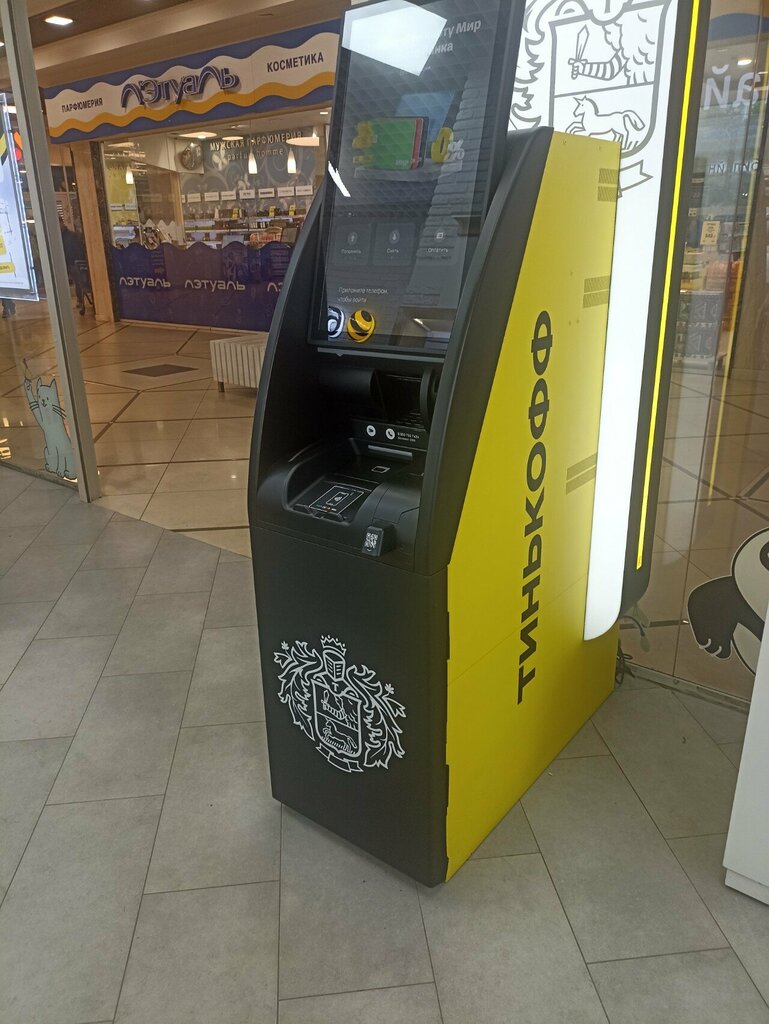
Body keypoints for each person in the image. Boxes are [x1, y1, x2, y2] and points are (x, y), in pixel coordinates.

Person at [59, 218, 87, 314]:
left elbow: (78, 249)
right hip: (65, 262)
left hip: (72, 262)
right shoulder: (60, 237)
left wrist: (78, 260)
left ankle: (80, 300)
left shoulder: (72, 236)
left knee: (78, 282)